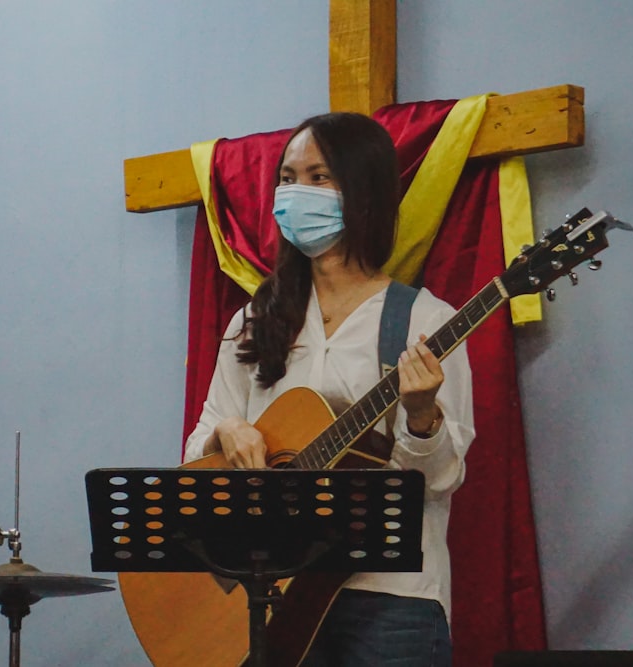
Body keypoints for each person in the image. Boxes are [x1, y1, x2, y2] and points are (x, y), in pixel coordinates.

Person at [183, 112, 475, 667]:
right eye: (287, 178)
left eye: (319, 177)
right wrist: (227, 430)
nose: (297, 193)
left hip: (392, 598)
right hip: (271, 593)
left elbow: (442, 479)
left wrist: (421, 421)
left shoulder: (426, 322)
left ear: (363, 193)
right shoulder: (255, 320)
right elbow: (200, 440)